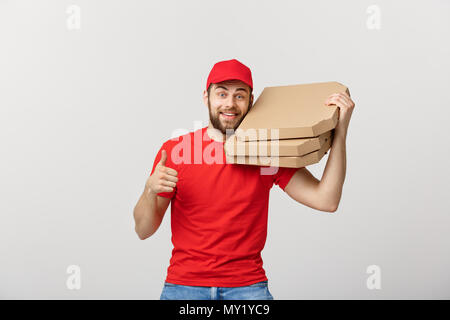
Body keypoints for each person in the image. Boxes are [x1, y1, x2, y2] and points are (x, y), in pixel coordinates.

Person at [133, 59, 355, 300]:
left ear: (251, 101)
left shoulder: (266, 152)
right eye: (221, 94)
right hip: (184, 287)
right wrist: (149, 190)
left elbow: (326, 200)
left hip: (247, 288)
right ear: (206, 98)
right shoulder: (176, 151)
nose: (230, 103)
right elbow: (143, 230)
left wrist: (340, 132)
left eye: (240, 95)